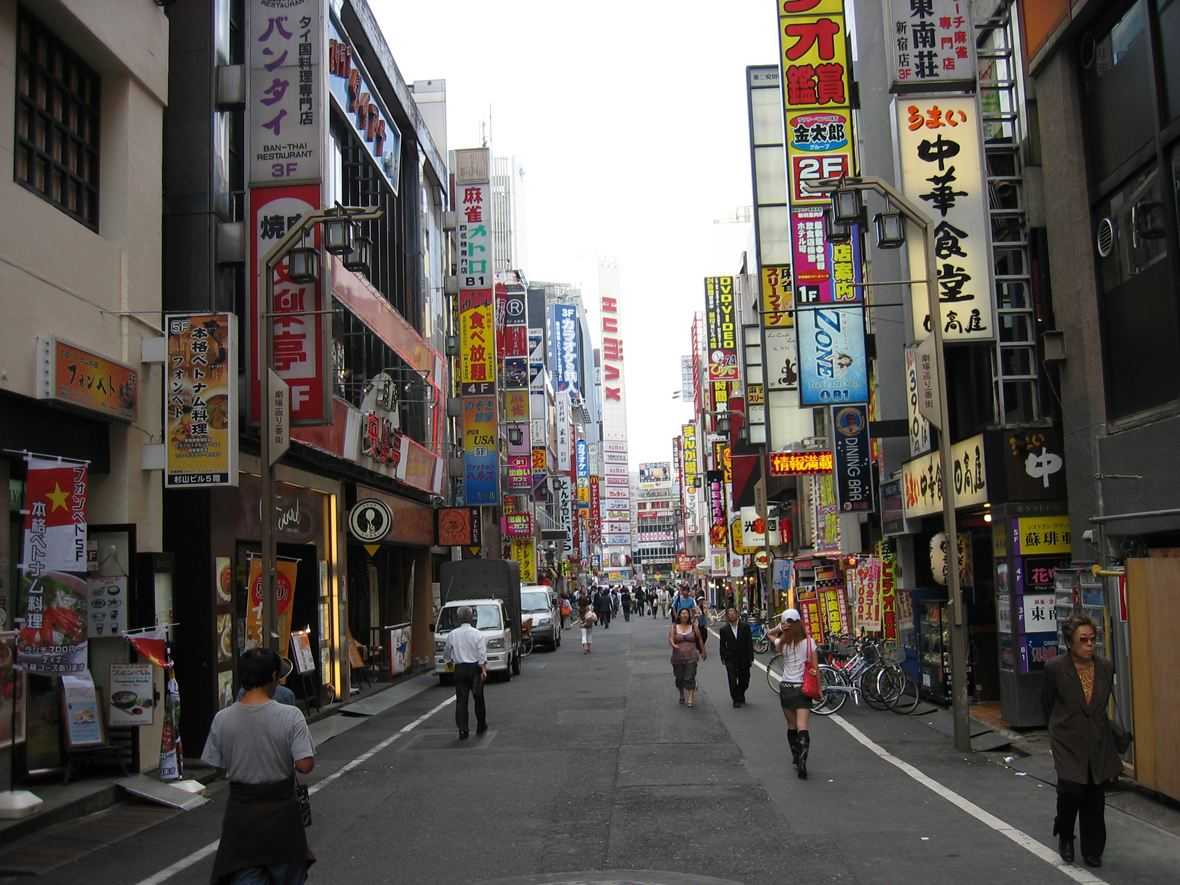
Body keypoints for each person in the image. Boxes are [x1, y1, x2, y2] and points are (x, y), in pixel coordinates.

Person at [203, 648, 316, 885]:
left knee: (244, 875)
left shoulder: (222, 719)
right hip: (282, 815)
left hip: (241, 816)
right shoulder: (291, 716)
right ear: (274, 676)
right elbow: (305, 765)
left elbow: (216, 764)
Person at [1042, 614, 1125, 868]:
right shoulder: (1055, 668)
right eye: (1083, 640)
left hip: (1097, 738)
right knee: (1071, 789)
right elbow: (1047, 704)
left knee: (1095, 793)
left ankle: (1093, 849)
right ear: (1070, 642)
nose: (1090, 644)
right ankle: (1065, 834)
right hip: (1067, 738)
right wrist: (1055, 729)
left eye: (1092, 639)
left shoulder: (1105, 666)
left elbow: (1102, 705)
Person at [767, 609, 818, 779]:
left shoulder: (783, 643)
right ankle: (803, 761)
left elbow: (769, 634)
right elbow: (815, 669)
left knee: (791, 726)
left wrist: (777, 628)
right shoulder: (809, 642)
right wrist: (820, 690)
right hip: (802, 688)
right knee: (803, 726)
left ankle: (796, 757)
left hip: (786, 687)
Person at [442, 605, 488, 740]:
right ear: (472, 617)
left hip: (460, 668)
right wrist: (483, 670)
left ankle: (463, 730)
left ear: (459, 618)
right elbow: (482, 655)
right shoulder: (478, 634)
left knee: (461, 701)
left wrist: (450, 664)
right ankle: (481, 725)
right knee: (478, 698)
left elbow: (446, 654)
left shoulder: (452, 634)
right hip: (475, 669)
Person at [668, 607, 705, 707]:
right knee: (679, 678)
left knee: (689, 677)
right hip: (677, 657)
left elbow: (700, 639)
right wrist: (673, 644)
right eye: (682, 613)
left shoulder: (693, 626)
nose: (684, 615)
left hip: (691, 656)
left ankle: (690, 697)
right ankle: (681, 693)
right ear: (679, 615)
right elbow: (671, 638)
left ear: (689, 615)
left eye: (686, 613)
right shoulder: (674, 626)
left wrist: (703, 651)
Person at [719, 607, 754, 707]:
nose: (731, 615)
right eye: (729, 614)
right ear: (727, 616)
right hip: (730, 657)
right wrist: (723, 657)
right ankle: (736, 699)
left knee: (745, 679)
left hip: (744, 657)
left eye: (733, 613)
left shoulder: (745, 627)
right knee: (732, 679)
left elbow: (749, 643)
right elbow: (722, 644)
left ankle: (740, 693)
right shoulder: (724, 629)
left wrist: (750, 657)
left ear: (737, 614)